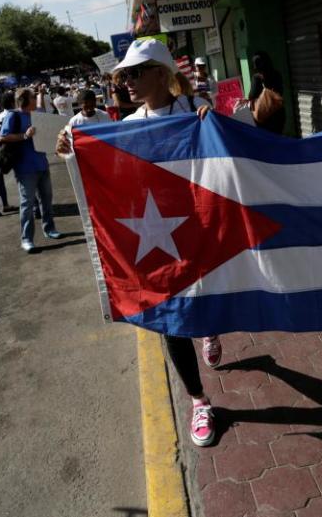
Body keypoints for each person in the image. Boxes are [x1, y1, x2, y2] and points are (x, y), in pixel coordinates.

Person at [56, 39, 223, 446]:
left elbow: (227, 161)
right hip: (157, 237)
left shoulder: (195, 112)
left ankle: (211, 330)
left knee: (208, 301)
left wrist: (212, 121)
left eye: (134, 73)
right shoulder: (129, 128)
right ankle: (199, 400)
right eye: (122, 75)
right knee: (171, 319)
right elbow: (108, 175)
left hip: (200, 230)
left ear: (162, 75)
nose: (125, 82)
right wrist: (72, 154)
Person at [0, 88, 62, 253]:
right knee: (27, 204)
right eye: (33, 97)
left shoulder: (37, 114)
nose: (36, 99)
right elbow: (3, 137)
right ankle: (26, 239)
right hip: (25, 168)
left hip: (42, 164)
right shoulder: (14, 116)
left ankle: (49, 229)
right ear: (25, 100)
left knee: (46, 199)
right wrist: (24, 136)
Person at [247, 52, 286, 134]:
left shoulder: (256, 78)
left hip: (265, 116)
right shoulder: (277, 74)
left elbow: (252, 96)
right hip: (279, 114)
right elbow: (280, 92)